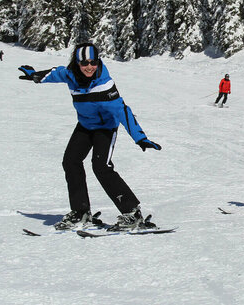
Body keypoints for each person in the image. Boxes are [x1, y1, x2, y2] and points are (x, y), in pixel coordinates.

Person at [17, 43, 162, 231]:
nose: (89, 67)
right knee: (70, 161)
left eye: (93, 62)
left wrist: (140, 137)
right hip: (85, 125)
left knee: (101, 166)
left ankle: (131, 213)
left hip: (105, 128)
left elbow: (123, 111)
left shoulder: (104, 84)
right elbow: (54, 73)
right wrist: (36, 76)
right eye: (84, 62)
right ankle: (80, 211)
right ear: (77, 63)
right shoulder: (70, 74)